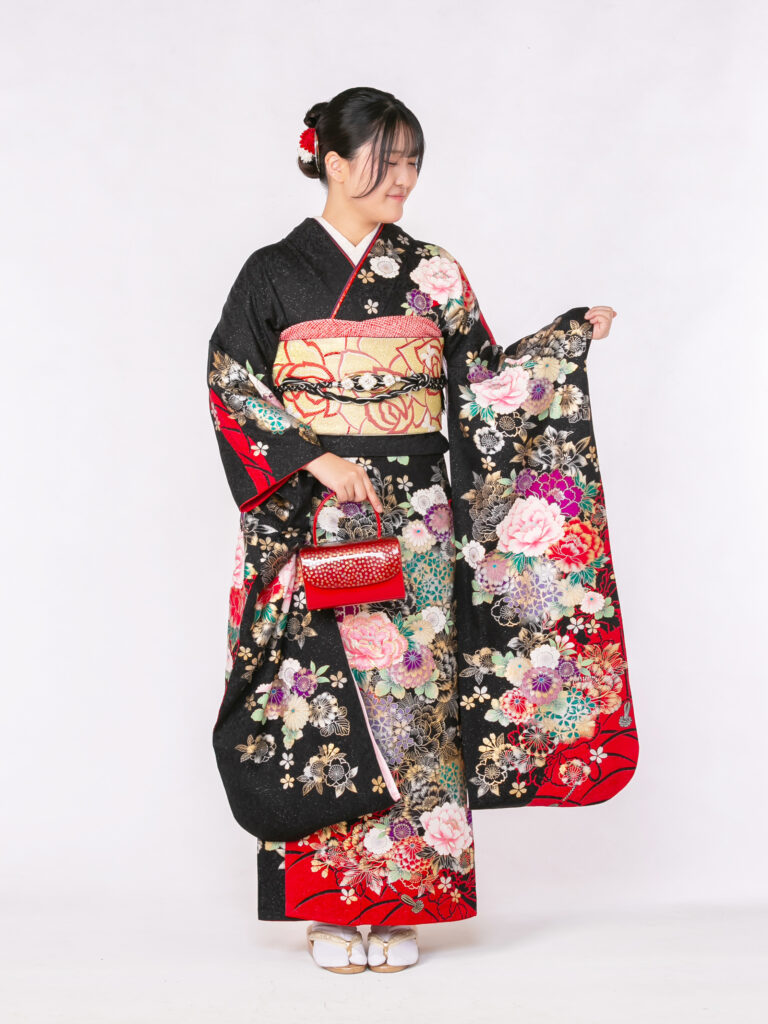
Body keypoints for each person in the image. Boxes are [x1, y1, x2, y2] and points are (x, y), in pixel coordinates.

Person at [206, 86, 622, 973]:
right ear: (328, 158)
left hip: (417, 520)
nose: (402, 177)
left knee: (416, 698)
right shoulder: (272, 272)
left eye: (411, 161)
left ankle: (403, 901)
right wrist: (315, 459)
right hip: (321, 513)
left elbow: (483, 387)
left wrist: (561, 345)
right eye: (384, 160)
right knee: (324, 691)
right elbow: (231, 379)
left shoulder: (434, 272)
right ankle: (329, 903)